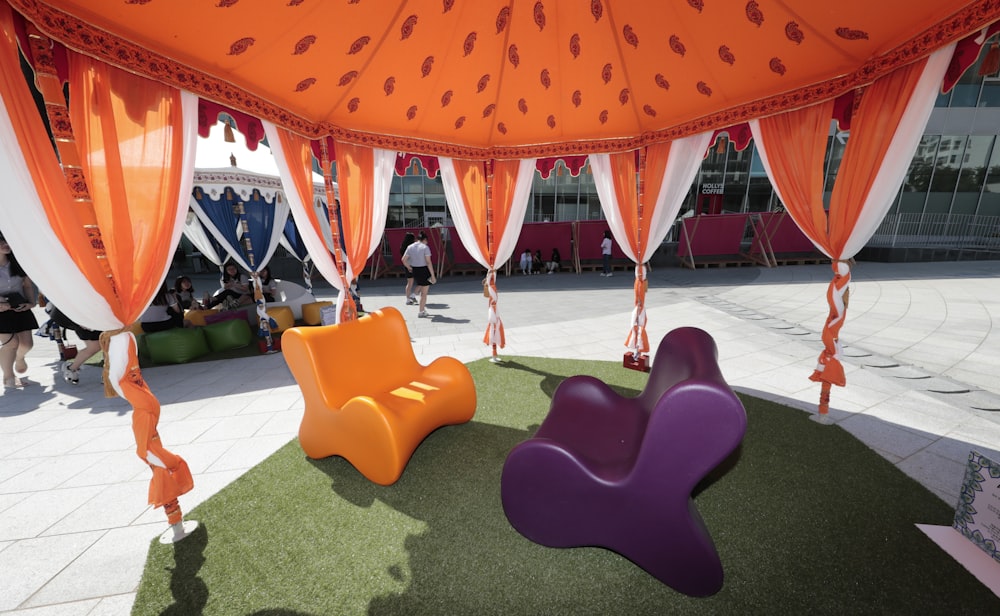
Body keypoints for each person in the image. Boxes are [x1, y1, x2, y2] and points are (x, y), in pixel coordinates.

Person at [0, 234, 38, 389]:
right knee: (11, 343)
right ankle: (9, 378)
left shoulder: (18, 262)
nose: (6, 244)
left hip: (20, 307)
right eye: (1, 241)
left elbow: (27, 285)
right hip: (1, 311)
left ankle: (20, 358)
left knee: (27, 344)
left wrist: (31, 302)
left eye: (7, 240)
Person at [48, 305, 102, 385]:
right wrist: (81, 319)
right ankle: (71, 369)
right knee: (94, 346)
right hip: (80, 311)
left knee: (102, 344)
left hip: (97, 312)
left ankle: (109, 375)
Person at [401, 231, 436, 318]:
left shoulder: (410, 247)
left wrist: (409, 267)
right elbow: (428, 262)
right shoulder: (425, 247)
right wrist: (433, 275)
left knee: (420, 286)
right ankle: (421, 311)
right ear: (424, 239)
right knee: (424, 293)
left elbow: (403, 259)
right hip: (424, 269)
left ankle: (417, 303)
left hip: (415, 270)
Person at [399, 232, 417, 305]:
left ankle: (408, 298)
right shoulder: (411, 248)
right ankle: (412, 296)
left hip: (407, 266)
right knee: (422, 282)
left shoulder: (403, 247)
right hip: (412, 266)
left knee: (409, 283)